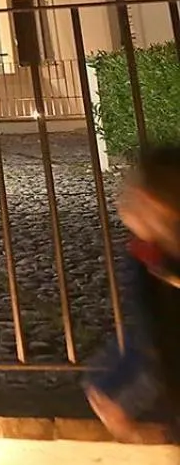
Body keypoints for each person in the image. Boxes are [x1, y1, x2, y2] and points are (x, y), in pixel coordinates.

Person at [85, 146, 180, 442]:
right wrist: (118, 390)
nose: (122, 196)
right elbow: (152, 334)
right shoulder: (147, 257)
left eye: (132, 187)